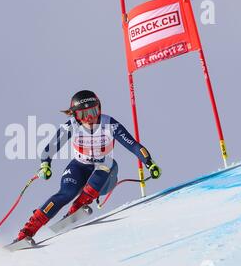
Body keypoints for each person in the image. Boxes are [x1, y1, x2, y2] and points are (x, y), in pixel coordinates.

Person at [14, 90, 161, 242]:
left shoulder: (109, 124)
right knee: (66, 193)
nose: (89, 118)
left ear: (99, 109)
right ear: (74, 115)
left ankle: (76, 208)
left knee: (107, 164)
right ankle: (26, 232)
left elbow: (133, 145)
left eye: (93, 112)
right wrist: (45, 165)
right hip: (79, 167)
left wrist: (149, 163)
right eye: (83, 115)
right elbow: (50, 148)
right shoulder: (71, 126)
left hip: (106, 174)